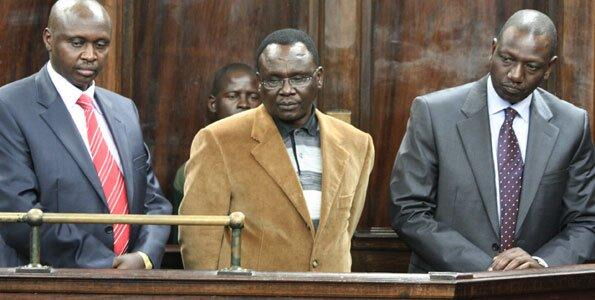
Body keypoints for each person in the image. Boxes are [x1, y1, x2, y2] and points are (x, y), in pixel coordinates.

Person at [390, 9, 595, 273]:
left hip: (536, 289)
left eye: (531, 66)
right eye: (507, 59)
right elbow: (408, 211)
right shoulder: (433, 113)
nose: (516, 75)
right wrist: (489, 269)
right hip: (451, 285)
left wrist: (541, 265)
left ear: (549, 68)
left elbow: (586, 222)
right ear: (493, 49)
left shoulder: (572, 124)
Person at [179, 28, 375, 272]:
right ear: (259, 83)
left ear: (319, 77)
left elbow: (343, 231)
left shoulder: (357, 143)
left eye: (299, 77)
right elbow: (199, 241)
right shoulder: (219, 140)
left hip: (331, 291)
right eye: (274, 80)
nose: (286, 89)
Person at [0, 0, 171, 269]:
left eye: (101, 44)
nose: (90, 55)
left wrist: (144, 256)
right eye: (77, 43)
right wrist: (106, 266)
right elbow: (19, 214)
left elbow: (153, 201)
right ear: (49, 39)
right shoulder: (10, 105)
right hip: (46, 284)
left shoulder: (124, 109)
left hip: (130, 283)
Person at [169, 63, 260, 243]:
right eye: (233, 96)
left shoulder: (275, 158)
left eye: (253, 97)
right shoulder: (190, 170)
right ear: (213, 103)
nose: (244, 104)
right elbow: (186, 238)